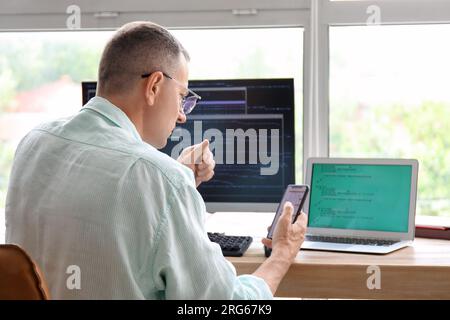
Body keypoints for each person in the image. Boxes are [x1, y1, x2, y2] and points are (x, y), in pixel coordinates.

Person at [5, 21, 307, 299]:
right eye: (182, 97)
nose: (182, 114)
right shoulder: (161, 179)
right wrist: (282, 253)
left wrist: (174, 180)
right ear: (154, 86)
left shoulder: (33, 144)